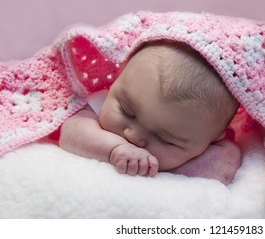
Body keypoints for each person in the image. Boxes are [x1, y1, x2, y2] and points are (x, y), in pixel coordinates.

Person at [59, 40, 241, 184]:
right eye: (127, 111)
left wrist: (164, 170)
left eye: (165, 139)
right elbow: (69, 133)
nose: (133, 136)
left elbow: (224, 165)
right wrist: (114, 149)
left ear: (212, 139)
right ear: (117, 78)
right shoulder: (98, 103)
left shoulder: (216, 146)